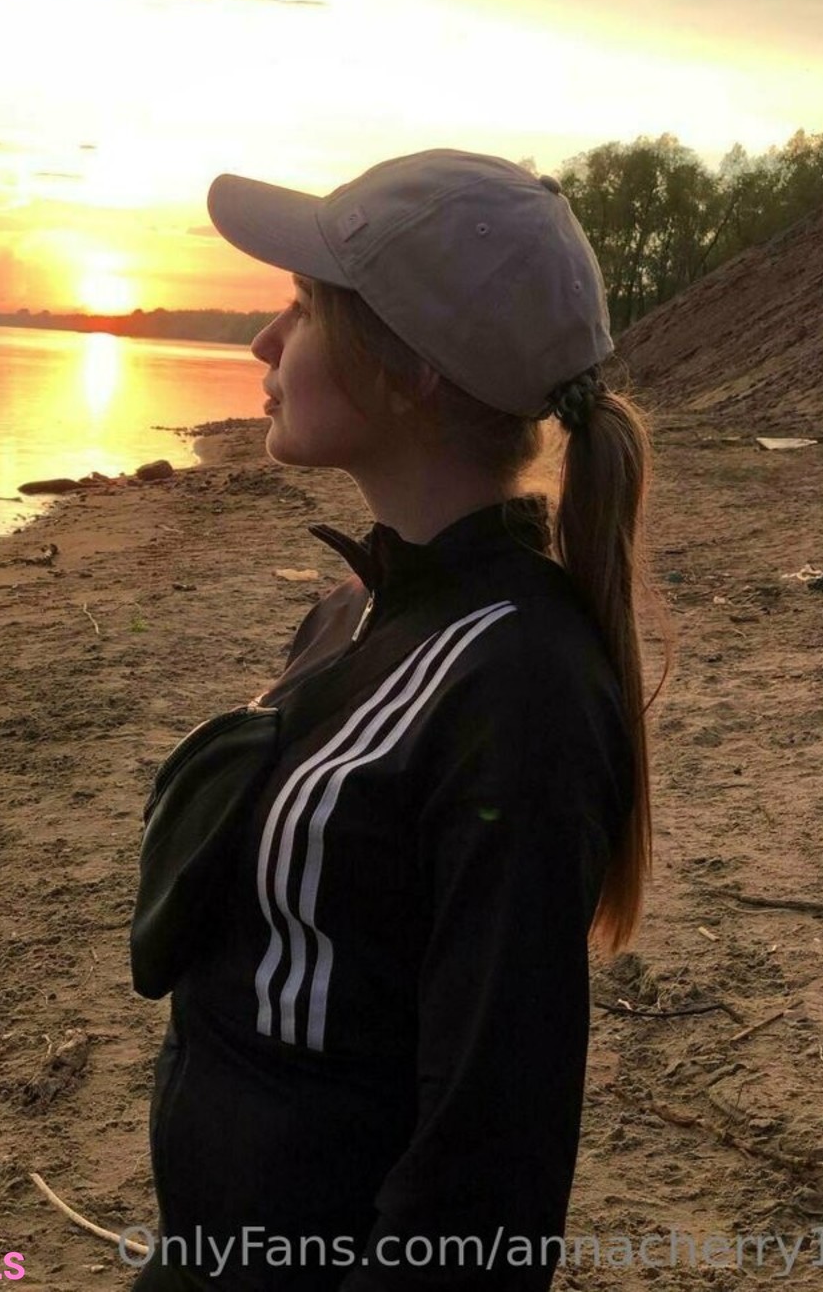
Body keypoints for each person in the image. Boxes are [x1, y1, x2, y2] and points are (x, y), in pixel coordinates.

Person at [133, 150, 672, 1290]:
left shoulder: (519, 688)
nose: (264, 344)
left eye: (301, 307)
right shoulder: (356, 607)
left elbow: (491, 1161)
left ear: (412, 370)